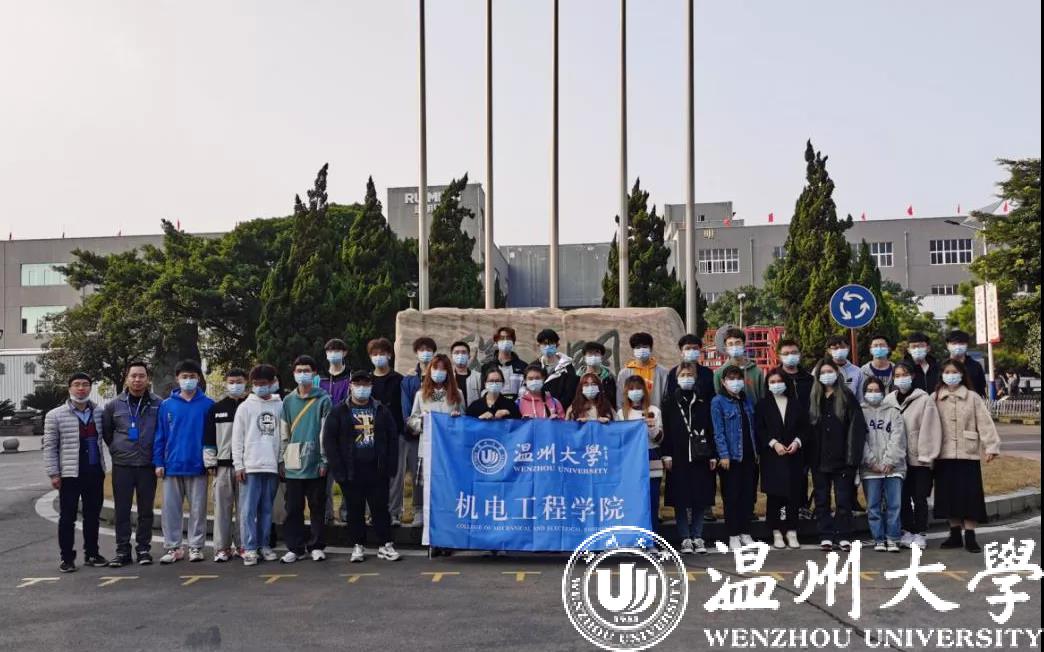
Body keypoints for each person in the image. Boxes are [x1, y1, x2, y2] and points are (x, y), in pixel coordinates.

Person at [324, 371, 402, 563]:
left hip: (377, 468)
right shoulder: (339, 411)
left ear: (371, 386)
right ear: (351, 386)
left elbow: (392, 438)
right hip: (351, 469)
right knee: (354, 508)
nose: (361, 388)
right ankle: (358, 544)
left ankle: (385, 544)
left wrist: (391, 466)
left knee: (380, 508)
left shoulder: (381, 410)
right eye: (357, 384)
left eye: (365, 384)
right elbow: (330, 441)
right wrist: (338, 470)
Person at [44, 372, 111, 572]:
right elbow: (50, 447)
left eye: (85, 384)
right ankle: (67, 557)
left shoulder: (99, 412)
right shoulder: (55, 415)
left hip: (94, 472)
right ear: (69, 388)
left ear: (90, 387)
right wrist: (54, 473)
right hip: (70, 474)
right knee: (67, 517)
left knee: (92, 516)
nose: (81, 388)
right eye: (76, 384)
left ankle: (92, 553)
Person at [933, 359, 1001, 553]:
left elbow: (985, 422)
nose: (951, 375)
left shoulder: (972, 397)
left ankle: (970, 536)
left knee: (970, 496)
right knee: (949, 496)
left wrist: (991, 446)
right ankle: (954, 534)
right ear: (942, 375)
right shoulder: (935, 398)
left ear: (962, 374)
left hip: (968, 454)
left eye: (954, 372)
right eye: (947, 372)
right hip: (943, 454)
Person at [154, 360, 215, 565]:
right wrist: (159, 462)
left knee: (198, 509)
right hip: (172, 465)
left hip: (198, 466)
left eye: (192, 377)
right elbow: (160, 436)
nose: (188, 380)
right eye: (184, 377)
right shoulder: (166, 405)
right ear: (177, 379)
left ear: (199, 379)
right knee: (171, 510)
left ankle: (196, 547)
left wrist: (210, 462)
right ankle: (173, 547)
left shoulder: (208, 405)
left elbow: (212, 437)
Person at [102, 362, 161, 567]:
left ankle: (143, 549)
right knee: (122, 510)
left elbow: (162, 432)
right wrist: (118, 449)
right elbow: (107, 433)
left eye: (141, 376)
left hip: (147, 465)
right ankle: (122, 551)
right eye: (133, 376)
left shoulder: (158, 404)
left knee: (146, 511)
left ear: (148, 379)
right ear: (127, 378)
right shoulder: (113, 405)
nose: (137, 380)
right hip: (123, 465)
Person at [279, 356, 333, 564]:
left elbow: (325, 433)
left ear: (314, 373)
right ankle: (296, 547)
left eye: (306, 370)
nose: (302, 374)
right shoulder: (288, 401)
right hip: (293, 461)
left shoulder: (324, 400)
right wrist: (282, 459)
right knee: (293, 508)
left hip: (315, 460)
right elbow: (284, 432)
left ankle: (317, 546)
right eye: (299, 370)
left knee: (317, 506)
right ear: (293, 373)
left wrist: (324, 460)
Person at [808, 358, 866, 552]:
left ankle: (843, 535)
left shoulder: (847, 396)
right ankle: (825, 534)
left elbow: (856, 428)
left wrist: (853, 458)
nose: (826, 375)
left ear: (837, 373)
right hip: (819, 459)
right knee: (822, 499)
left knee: (843, 500)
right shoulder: (814, 398)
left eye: (829, 371)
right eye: (822, 372)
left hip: (842, 459)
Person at [660, 362, 717, 554]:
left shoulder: (703, 401)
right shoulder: (669, 403)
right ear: (676, 379)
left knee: (700, 497)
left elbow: (711, 429)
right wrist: (666, 454)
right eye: (683, 375)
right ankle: (685, 537)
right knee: (681, 498)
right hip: (678, 456)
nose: (686, 378)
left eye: (690, 375)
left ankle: (698, 535)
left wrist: (713, 454)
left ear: (696, 378)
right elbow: (666, 430)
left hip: (701, 455)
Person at [405, 353, 464, 535]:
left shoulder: (457, 394)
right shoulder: (421, 394)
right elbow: (412, 420)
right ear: (430, 370)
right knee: (427, 488)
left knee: (447, 487)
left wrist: (457, 419)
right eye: (436, 368)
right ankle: (425, 520)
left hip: (449, 450)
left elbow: (464, 422)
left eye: (443, 369)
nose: (439, 372)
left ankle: (448, 523)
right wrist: (422, 422)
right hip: (428, 448)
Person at [886, 362, 942, 550]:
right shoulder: (888, 400)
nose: (901, 378)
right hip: (897, 459)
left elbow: (932, 429)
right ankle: (907, 530)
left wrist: (928, 456)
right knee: (902, 497)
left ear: (912, 376)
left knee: (919, 497)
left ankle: (920, 532)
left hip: (919, 459)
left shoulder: (924, 399)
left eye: (905, 374)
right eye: (897, 375)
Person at [232, 364, 283, 566]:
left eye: (263, 383)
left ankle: (264, 545)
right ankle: (250, 547)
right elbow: (237, 439)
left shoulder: (280, 406)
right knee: (248, 511)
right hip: (251, 467)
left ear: (272, 383)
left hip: (271, 466)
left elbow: (283, 435)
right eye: (256, 384)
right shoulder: (245, 407)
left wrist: (281, 461)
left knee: (267, 509)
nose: (260, 387)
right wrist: (239, 465)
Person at [755, 369, 809, 550]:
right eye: (772, 382)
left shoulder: (795, 403)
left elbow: (805, 428)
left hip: (793, 455)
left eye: (779, 381)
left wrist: (797, 442)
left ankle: (792, 531)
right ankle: (776, 531)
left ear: (786, 383)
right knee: (774, 495)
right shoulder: (762, 405)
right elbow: (759, 429)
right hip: (772, 456)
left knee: (793, 494)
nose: (776, 384)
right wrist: (773, 443)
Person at [203, 368, 249, 562]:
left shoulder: (251, 405)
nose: (235, 385)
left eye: (239, 381)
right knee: (222, 508)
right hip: (222, 466)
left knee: (245, 509)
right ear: (226, 383)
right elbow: (209, 437)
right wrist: (210, 461)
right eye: (231, 382)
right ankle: (222, 548)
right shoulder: (216, 408)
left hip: (246, 466)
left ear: (246, 382)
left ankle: (243, 545)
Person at [711, 365, 758, 550]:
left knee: (747, 496)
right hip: (730, 458)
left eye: (738, 378)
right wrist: (723, 454)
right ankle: (733, 534)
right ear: (723, 382)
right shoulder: (718, 401)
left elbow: (752, 427)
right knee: (732, 497)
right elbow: (718, 431)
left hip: (749, 455)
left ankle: (745, 532)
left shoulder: (746, 400)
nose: (735, 382)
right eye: (731, 378)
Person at [859, 378, 907, 553]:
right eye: (869, 390)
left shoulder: (893, 411)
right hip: (870, 469)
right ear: (864, 393)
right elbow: (859, 440)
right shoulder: (860, 412)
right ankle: (878, 538)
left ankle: (893, 538)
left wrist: (889, 461)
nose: (873, 394)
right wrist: (871, 462)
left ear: (883, 391)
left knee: (894, 505)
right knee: (873, 506)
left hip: (893, 468)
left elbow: (898, 438)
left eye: (876, 390)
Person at [397, 336, 438, 526]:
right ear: (416, 353)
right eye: (421, 350)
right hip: (416, 435)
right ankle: (418, 510)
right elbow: (407, 408)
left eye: (428, 349)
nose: (425, 353)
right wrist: (414, 426)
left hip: (437, 436)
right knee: (417, 476)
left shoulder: (441, 377)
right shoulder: (409, 380)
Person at [617, 376, 664, 531]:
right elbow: (619, 439)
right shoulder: (622, 413)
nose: (635, 392)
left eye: (638, 388)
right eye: (631, 389)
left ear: (644, 390)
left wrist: (652, 427)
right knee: (633, 500)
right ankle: (635, 536)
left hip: (651, 456)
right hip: (631, 459)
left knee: (652, 500)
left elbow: (659, 439)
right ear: (626, 392)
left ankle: (652, 537)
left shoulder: (654, 411)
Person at [367, 338, 406, 525]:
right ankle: (372, 513)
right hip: (370, 434)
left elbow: (403, 407)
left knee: (395, 475)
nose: (378, 357)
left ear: (390, 355)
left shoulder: (399, 380)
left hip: (395, 433)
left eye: (382, 353)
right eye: (374, 354)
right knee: (371, 475)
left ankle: (394, 512)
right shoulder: (366, 380)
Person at [778, 338, 815, 521]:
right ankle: (784, 507)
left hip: (805, 433)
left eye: (793, 352)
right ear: (779, 356)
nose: (790, 356)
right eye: (786, 353)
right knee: (784, 473)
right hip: (783, 434)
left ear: (799, 354)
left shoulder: (809, 379)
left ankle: (802, 506)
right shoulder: (775, 378)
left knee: (803, 472)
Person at [617, 332, 670, 408]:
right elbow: (620, 398)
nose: (641, 350)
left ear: (651, 349)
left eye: (645, 347)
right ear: (633, 350)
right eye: (638, 347)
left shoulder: (662, 372)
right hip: (631, 414)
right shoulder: (624, 373)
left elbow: (666, 397)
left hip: (656, 413)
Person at [712, 328, 765, 401]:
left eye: (738, 343)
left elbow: (762, 397)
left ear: (744, 344)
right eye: (730, 344)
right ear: (726, 347)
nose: (734, 347)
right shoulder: (719, 373)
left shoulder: (757, 371)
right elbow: (718, 399)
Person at [533, 328, 578, 412]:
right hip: (538, 412)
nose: (547, 347)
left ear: (557, 344)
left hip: (560, 412)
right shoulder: (534, 366)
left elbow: (570, 393)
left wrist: (556, 409)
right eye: (544, 344)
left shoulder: (567, 367)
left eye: (551, 343)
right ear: (538, 345)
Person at [481, 326, 528, 400]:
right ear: (496, 342)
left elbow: (526, 390)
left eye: (508, 338)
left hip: (517, 406)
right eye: (502, 338)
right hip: (495, 405)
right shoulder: (487, 367)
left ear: (513, 342)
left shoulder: (524, 366)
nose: (505, 341)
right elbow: (483, 391)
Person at [664, 334, 715, 400]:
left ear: (699, 351)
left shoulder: (707, 373)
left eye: (695, 348)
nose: (691, 351)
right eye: (687, 348)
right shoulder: (673, 373)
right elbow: (670, 395)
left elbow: (711, 396)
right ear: (681, 352)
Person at [575, 341, 618, 409]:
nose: (593, 356)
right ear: (584, 357)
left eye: (597, 352)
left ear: (602, 356)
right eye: (590, 353)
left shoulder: (609, 377)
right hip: (582, 412)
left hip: (605, 412)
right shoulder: (577, 377)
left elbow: (613, 400)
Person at [945, 330, 988, 398]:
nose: (958, 346)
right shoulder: (941, 367)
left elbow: (981, 390)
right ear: (947, 345)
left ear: (966, 345)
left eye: (961, 343)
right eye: (954, 343)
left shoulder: (976, 366)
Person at [825, 335, 863, 399]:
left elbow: (861, 398)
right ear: (829, 350)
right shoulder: (821, 370)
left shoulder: (857, 371)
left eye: (842, 347)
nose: (839, 350)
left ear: (848, 348)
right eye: (835, 348)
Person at [320, 338, 352, 406]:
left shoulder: (351, 377)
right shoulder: (319, 379)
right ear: (326, 353)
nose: (333, 353)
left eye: (337, 351)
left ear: (344, 353)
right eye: (330, 351)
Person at [450, 340, 483, 405]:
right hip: (454, 411)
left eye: (464, 352)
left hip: (474, 411)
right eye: (456, 352)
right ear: (451, 356)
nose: (460, 355)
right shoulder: (447, 377)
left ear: (469, 356)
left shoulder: (478, 377)